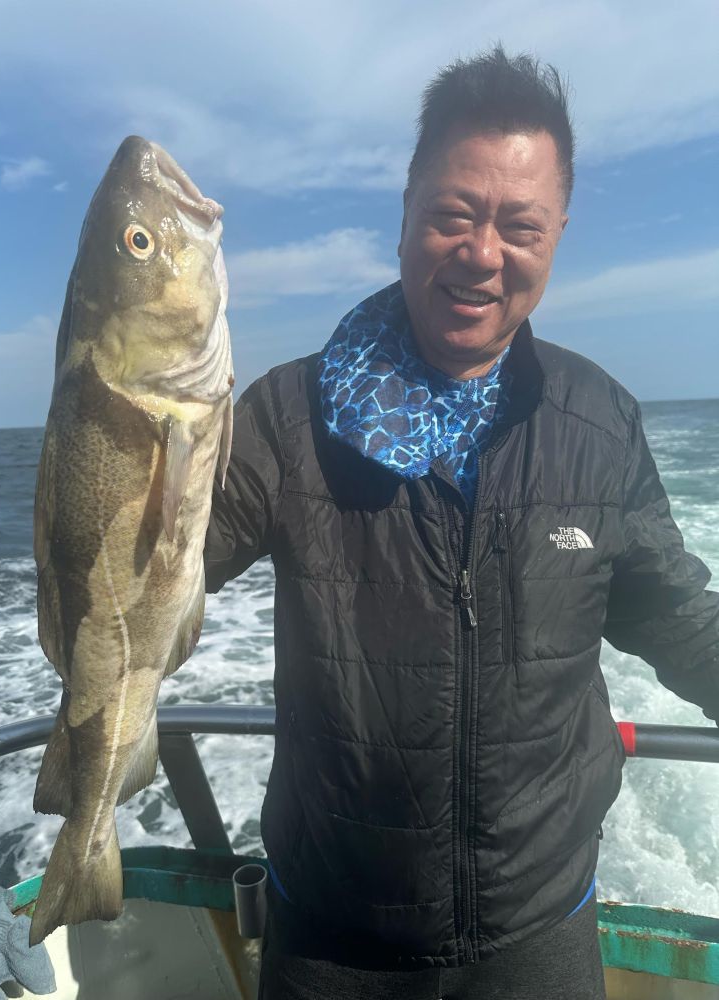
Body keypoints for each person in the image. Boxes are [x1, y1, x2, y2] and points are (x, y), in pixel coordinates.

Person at [204, 46, 719, 999]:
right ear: (404, 215)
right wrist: (112, 421)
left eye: (519, 224)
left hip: (538, 932)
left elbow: (676, 614)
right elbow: (145, 576)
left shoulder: (597, 420)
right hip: (329, 934)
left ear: (558, 232)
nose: (483, 252)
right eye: (453, 215)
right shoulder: (282, 420)